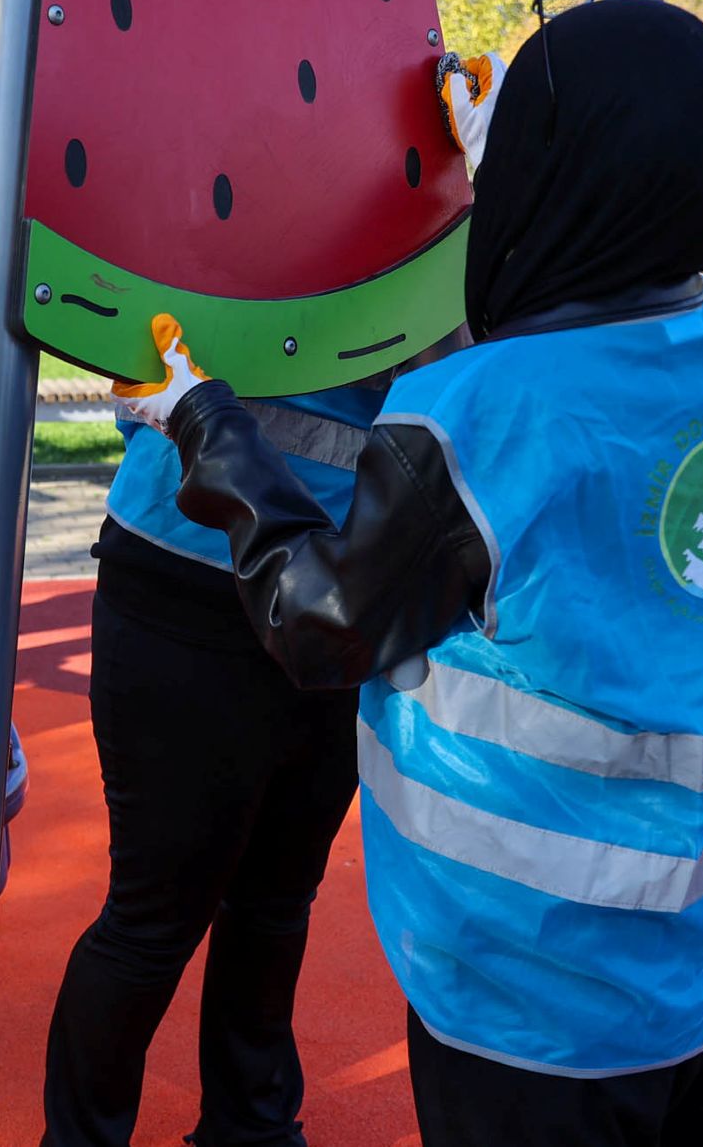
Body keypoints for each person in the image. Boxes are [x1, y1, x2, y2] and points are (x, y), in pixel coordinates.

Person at [117, 0, 703, 1147]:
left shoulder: (476, 411)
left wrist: (202, 423)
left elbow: (318, 622)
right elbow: (615, 275)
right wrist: (510, 170)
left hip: (534, 986)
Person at [43, 297, 462, 1145]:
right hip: (193, 572)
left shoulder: (434, 218)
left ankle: (251, 1126)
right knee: (157, 911)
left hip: (335, 582)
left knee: (274, 896)